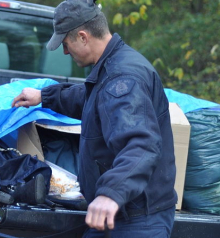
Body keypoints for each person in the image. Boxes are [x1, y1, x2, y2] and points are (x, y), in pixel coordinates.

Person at [11, 0, 177, 237]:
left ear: (83, 36)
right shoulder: (113, 66)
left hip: (138, 219)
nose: (65, 52)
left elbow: (141, 145)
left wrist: (111, 193)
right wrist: (44, 96)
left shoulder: (122, 79)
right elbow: (91, 98)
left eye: (66, 44)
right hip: (118, 212)